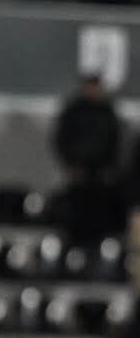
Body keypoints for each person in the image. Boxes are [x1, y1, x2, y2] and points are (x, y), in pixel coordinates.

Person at [51, 70, 125, 247]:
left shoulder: (107, 112)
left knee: (99, 211)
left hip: (100, 173)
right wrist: (71, 164)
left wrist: (110, 167)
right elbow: (62, 140)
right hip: (79, 171)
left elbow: (114, 141)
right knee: (77, 211)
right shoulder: (74, 111)